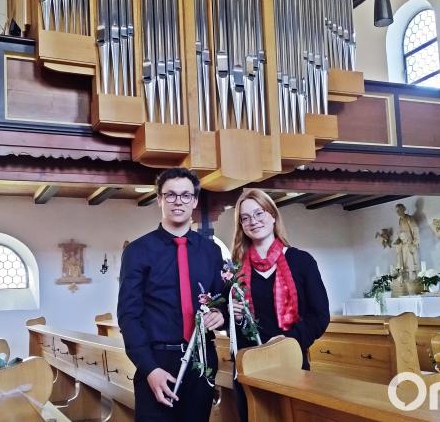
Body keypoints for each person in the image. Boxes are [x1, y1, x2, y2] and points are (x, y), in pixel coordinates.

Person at [118, 167, 227, 421]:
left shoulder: (211, 251)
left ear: (195, 201)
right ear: (159, 200)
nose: (178, 201)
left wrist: (220, 314)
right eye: (170, 195)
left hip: (201, 358)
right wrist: (149, 368)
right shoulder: (137, 251)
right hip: (157, 359)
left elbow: (221, 300)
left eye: (186, 195)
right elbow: (128, 316)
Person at [230, 188, 330, 422]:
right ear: (241, 225)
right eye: (245, 217)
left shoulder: (301, 261)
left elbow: (320, 315)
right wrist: (231, 315)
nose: (253, 221)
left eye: (259, 213)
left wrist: (288, 341)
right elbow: (229, 321)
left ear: (273, 215)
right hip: (250, 365)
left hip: (290, 360)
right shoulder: (235, 270)